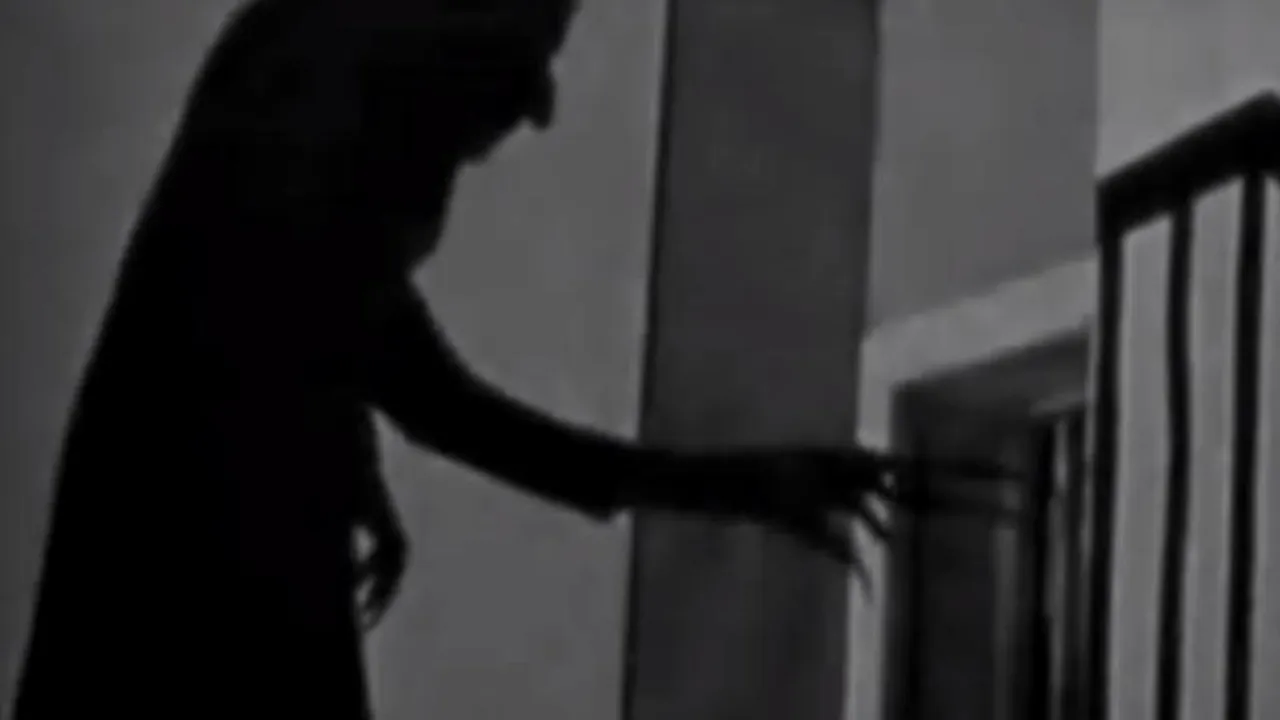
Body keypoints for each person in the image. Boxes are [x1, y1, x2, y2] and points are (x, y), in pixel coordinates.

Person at [11, 1, 905, 717]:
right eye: (531, 44)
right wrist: (736, 486)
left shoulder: (298, 105)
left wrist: (345, 457)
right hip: (210, 573)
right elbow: (422, 391)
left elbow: (317, 332)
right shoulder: (313, 108)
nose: (539, 106)